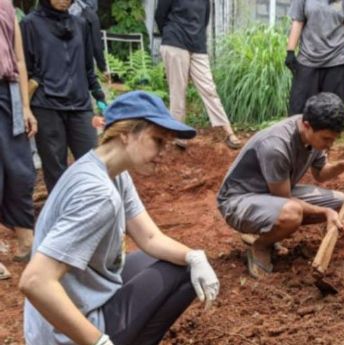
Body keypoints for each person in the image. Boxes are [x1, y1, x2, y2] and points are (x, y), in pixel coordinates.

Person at [20, 91, 220, 345]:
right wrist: (98, 342)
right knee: (180, 275)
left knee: (181, 263)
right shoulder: (99, 195)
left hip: (69, 308)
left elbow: (149, 237)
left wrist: (194, 256)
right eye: (158, 141)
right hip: (63, 335)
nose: (163, 152)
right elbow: (35, 281)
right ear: (125, 134)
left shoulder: (108, 171)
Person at [217, 92, 344, 278]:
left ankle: (264, 231)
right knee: (292, 213)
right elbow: (284, 199)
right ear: (307, 125)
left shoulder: (312, 135)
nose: (330, 145)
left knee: (338, 202)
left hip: (270, 194)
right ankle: (260, 245)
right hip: (238, 201)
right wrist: (324, 213)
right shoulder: (276, 146)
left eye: (334, 139)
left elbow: (320, 174)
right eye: (326, 139)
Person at [21, 0, 106, 192]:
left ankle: (94, 211)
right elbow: (25, 67)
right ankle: (61, 217)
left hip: (80, 106)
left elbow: (87, 67)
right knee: (55, 171)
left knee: (93, 162)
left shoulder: (80, 24)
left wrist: (99, 96)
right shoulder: (30, 24)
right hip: (46, 106)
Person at [155, 0, 242, 150]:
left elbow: (204, 21)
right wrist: (171, 34)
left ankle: (228, 132)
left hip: (197, 46)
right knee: (178, 92)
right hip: (175, 43)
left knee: (209, 89)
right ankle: (179, 135)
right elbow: (159, 16)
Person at [0, 0, 38, 265]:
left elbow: (21, 60)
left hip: (9, 93)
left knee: (21, 170)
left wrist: (26, 106)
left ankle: (26, 240)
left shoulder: (7, 7)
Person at [286, 0, 344, 116]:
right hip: (307, 59)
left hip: (338, 61)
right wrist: (290, 51)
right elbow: (297, 22)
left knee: (333, 113)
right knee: (298, 110)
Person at [69, 0, 108, 76]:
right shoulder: (91, 16)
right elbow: (97, 46)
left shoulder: (60, 14)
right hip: (82, 67)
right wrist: (103, 68)